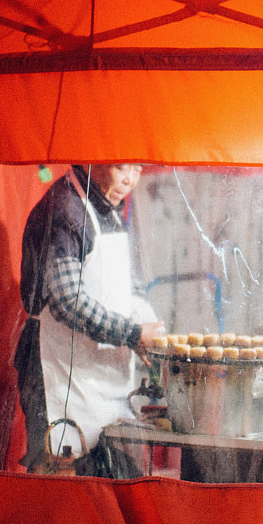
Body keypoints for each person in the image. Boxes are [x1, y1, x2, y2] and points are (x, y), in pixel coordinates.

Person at [16, 164, 164, 478]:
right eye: (122, 167)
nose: (129, 179)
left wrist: (154, 332)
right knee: (58, 475)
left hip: (97, 374)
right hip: (55, 368)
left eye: (137, 169)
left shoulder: (108, 209)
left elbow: (125, 287)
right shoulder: (64, 209)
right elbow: (67, 300)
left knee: (99, 481)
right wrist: (133, 334)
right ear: (91, 159)